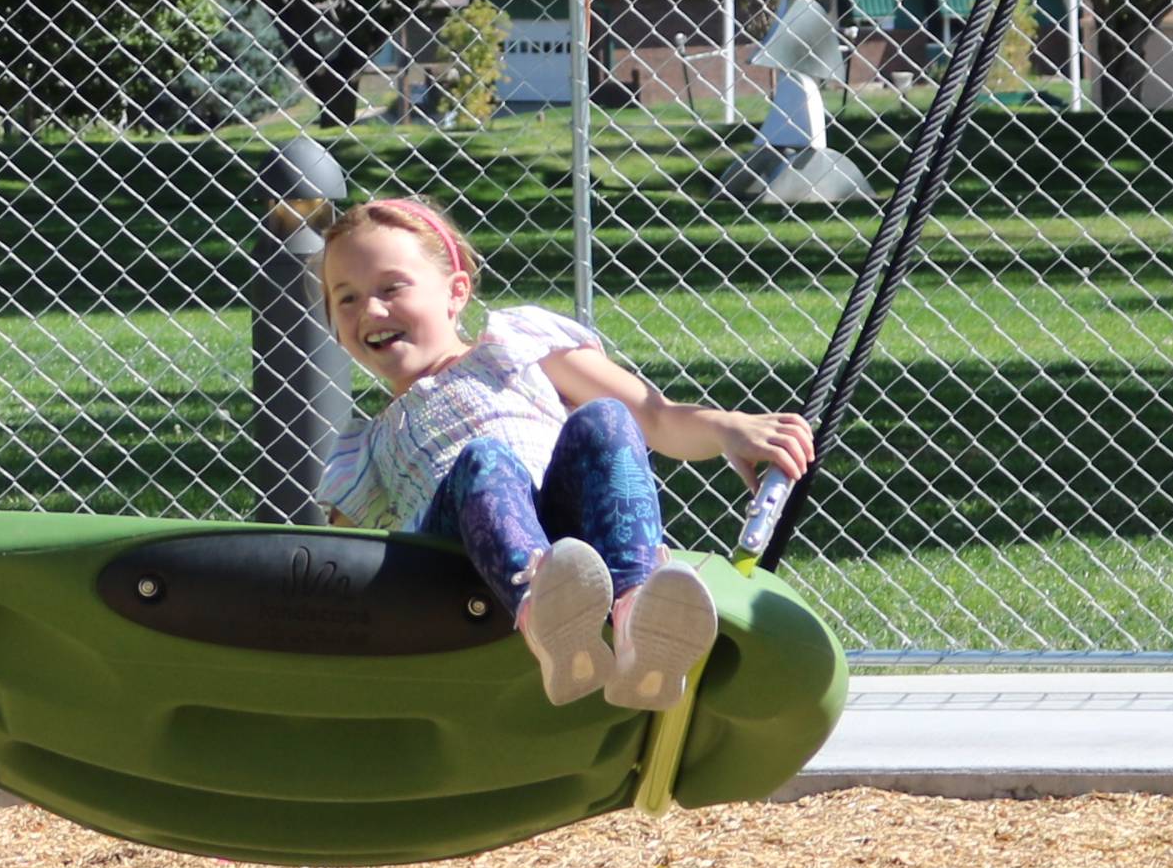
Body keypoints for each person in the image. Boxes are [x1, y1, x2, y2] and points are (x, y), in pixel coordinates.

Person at [313, 195, 816, 709]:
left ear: (456, 291)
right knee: (484, 460)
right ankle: (548, 618)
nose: (370, 310)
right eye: (345, 298)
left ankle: (638, 615)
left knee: (607, 416)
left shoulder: (516, 345)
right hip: (461, 573)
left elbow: (655, 417)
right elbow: (338, 569)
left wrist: (729, 428)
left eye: (391, 287)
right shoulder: (365, 445)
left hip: (574, 546)